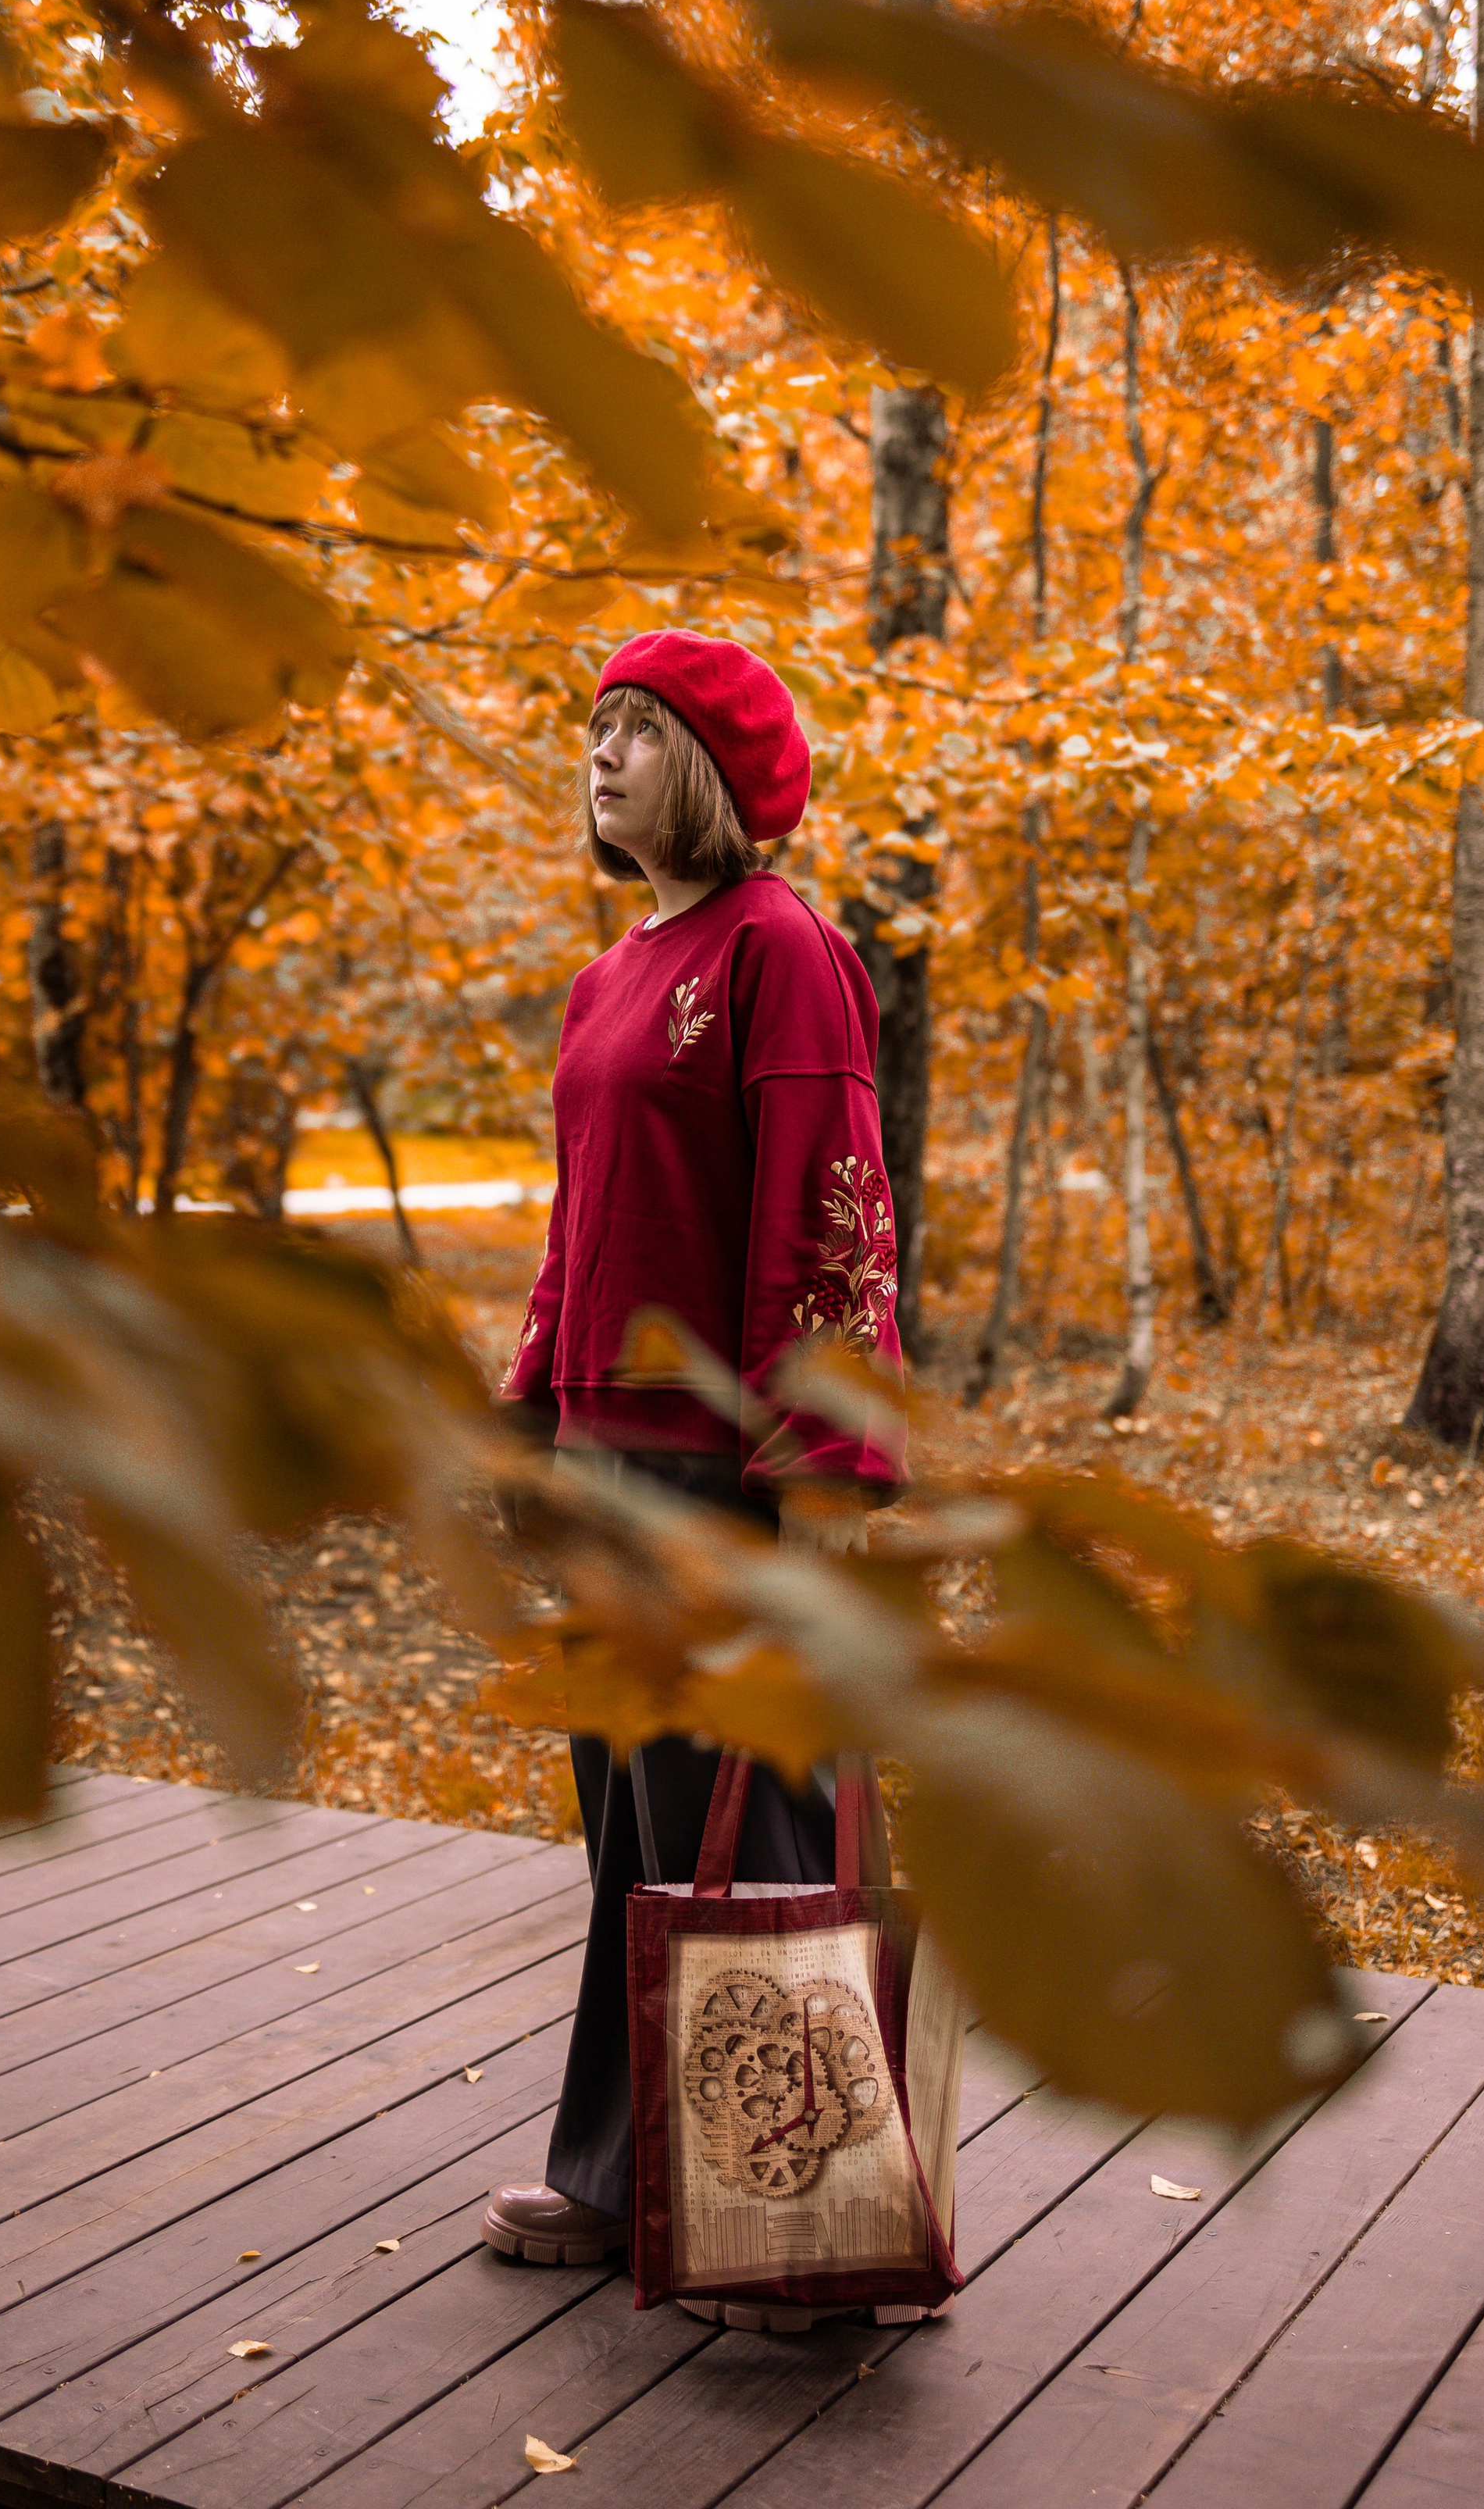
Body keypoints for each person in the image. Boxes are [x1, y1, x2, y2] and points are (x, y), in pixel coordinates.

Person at [480, 627, 904, 2283]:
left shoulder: (777, 950)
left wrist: (820, 1477)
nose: (597, 757)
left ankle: (799, 2235)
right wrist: (531, 1411)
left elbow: (832, 1211)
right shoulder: (610, 976)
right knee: (635, 1847)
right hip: (604, 1465)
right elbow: (580, 1222)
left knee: (759, 1841)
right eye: (591, 731)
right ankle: (616, 2178)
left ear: (713, 775)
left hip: (718, 1481)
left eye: (635, 732)